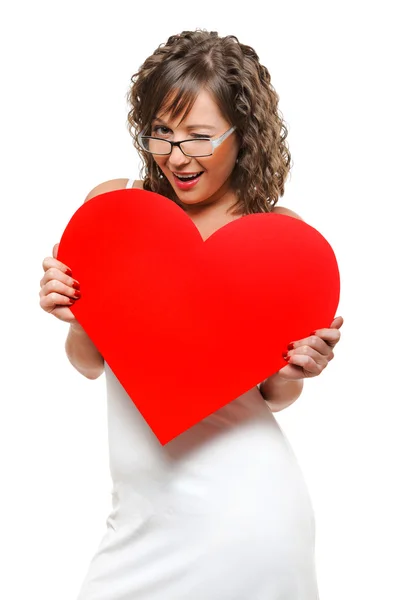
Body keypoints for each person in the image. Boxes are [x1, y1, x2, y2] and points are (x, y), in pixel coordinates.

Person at [39, 30, 343, 600]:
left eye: (200, 138)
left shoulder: (277, 240)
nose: (177, 157)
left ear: (242, 136)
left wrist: (300, 365)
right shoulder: (116, 211)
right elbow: (88, 364)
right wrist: (78, 312)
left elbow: (274, 395)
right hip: (140, 519)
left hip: (251, 517)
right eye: (162, 134)